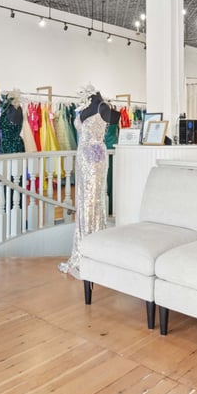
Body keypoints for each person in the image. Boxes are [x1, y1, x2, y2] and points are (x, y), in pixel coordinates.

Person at [59, 87, 120, 278]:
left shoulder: (103, 107)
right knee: (83, 199)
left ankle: (92, 246)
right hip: (82, 159)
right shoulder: (84, 106)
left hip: (95, 159)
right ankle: (82, 246)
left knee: (93, 200)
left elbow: (111, 122)